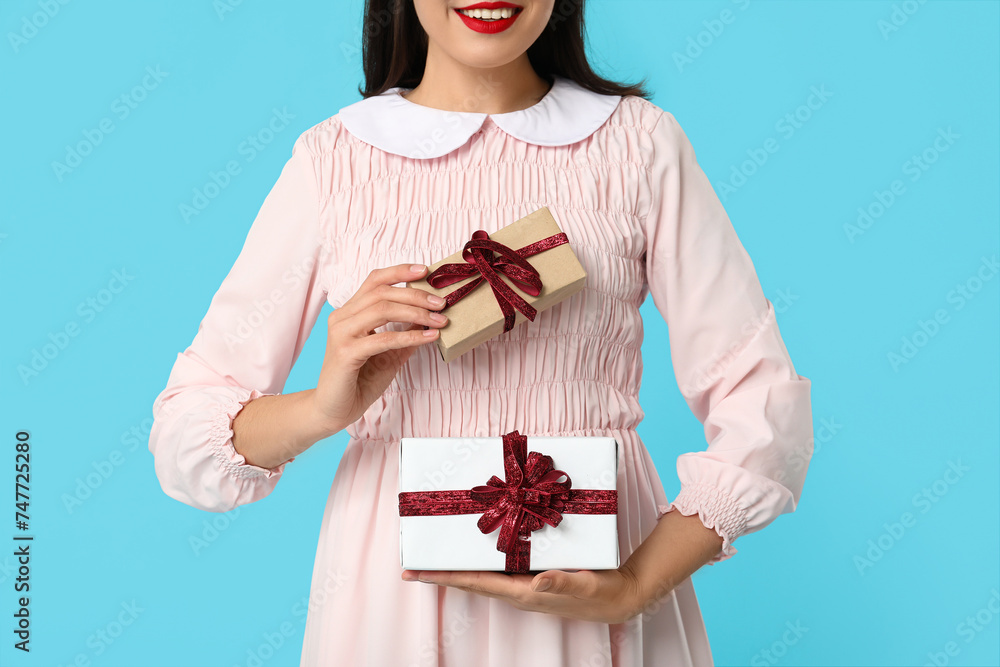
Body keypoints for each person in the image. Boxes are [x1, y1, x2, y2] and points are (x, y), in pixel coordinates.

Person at [148, 1, 814, 665]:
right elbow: (187, 436)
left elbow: (767, 414)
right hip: (391, 594)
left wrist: (638, 583)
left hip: (599, 580)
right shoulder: (334, 161)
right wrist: (326, 406)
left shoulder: (639, 145)